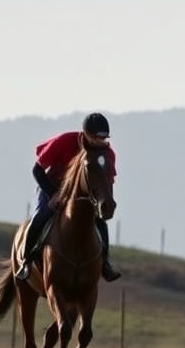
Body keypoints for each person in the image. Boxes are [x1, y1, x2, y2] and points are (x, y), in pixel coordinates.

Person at [15, 112, 121, 282]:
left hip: (84, 195)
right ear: (85, 134)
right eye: (96, 138)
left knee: (101, 222)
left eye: (104, 138)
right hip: (52, 187)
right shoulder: (64, 141)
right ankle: (26, 260)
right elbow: (37, 170)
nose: (101, 142)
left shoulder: (108, 154)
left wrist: (107, 202)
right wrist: (52, 194)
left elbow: (108, 182)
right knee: (41, 215)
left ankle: (105, 263)